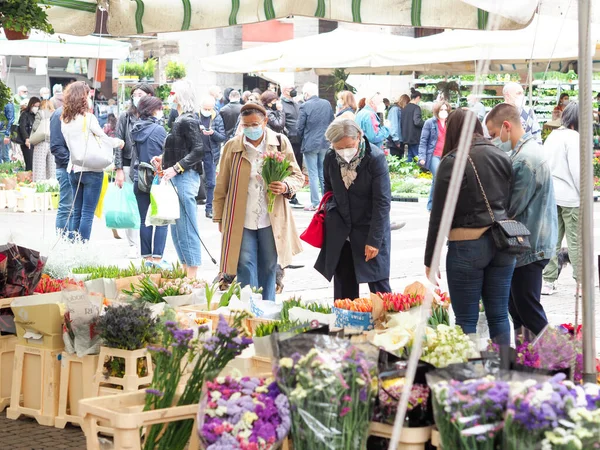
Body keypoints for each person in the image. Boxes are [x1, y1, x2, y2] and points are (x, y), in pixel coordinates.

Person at [425, 109, 516, 344]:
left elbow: (439, 215)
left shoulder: (452, 161)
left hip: (467, 246)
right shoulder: (501, 155)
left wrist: (430, 259)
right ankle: (503, 370)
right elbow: (511, 202)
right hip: (503, 243)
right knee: (498, 315)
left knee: (466, 320)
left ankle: (467, 377)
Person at [213, 103, 304, 300]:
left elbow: (297, 175)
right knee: (244, 263)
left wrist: (285, 186)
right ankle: (250, 308)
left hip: (271, 217)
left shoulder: (280, 142)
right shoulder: (232, 146)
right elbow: (222, 185)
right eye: (246, 125)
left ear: (265, 122)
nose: (250, 129)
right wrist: (219, 217)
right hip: (240, 218)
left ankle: (267, 308)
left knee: (270, 265)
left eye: (255, 124)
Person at [486, 103, 557, 336]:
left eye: (494, 135)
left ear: (507, 126)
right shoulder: (524, 153)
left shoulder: (525, 159)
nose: (494, 140)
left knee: (528, 311)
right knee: (517, 309)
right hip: (531, 245)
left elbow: (511, 208)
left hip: (530, 247)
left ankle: (563, 361)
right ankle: (528, 361)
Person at [315, 119, 392, 299]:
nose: (343, 152)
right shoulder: (330, 157)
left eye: (348, 146)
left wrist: (374, 240)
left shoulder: (375, 158)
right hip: (342, 230)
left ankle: (388, 324)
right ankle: (348, 325)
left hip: (369, 228)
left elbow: (382, 202)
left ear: (359, 137)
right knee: (343, 287)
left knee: (379, 286)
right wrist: (332, 211)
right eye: (338, 148)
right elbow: (328, 188)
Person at [153, 79, 204, 279]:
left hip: (184, 177)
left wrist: (176, 167)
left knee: (186, 227)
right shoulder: (181, 118)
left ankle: (192, 274)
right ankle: (186, 271)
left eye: (173, 93)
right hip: (178, 176)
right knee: (177, 228)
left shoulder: (188, 120)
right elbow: (182, 148)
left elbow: (198, 150)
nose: (170, 96)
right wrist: (164, 159)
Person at [61, 82, 124, 241]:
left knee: (77, 212)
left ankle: (73, 246)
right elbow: (104, 138)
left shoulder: (65, 120)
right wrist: (119, 142)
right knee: (87, 213)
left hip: (74, 169)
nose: (90, 98)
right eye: (88, 95)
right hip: (92, 170)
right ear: (83, 97)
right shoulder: (88, 118)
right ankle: (83, 248)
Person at [541, 102, 580, 295]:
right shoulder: (574, 138)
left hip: (552, 195)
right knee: (575, 240)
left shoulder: (553, 136)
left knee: (553, 240)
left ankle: (548, 281)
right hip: (571, 197)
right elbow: (577, 171)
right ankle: (580, 281)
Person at [115, 83, 154, 258]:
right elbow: (118, 143)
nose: (137, 97)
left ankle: (149, 245)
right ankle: (133, 244)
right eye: (135, 94)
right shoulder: (125, 117)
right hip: (129, 165)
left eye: (141, 93)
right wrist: (118, 169)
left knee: (148, 207)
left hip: (149, 166)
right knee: (131, 206)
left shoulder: (154, 117)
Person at [130, 96, 169, 266]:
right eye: (159, 108)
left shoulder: (135, 128)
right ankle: (158, 258)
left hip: (140, 179)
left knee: (144, 220)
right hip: (157, 178)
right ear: (154, 110)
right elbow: (167, 153)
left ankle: (146, 259)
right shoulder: (159, 130)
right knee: (161, 220)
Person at [297, 82, 335, 211]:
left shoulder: (305, 106)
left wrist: (301, 138)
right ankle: (326, 201)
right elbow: (331, 121)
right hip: (325, 142)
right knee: (322, 173)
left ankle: (315, 203)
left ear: (307, 94)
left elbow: (300, 127)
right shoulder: (326, 104)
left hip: (310, 143)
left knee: (312, 173)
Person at [418, 101, 450, 211]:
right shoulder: (430, 123)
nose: (444, 112)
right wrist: (422, 157)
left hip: (446, 156)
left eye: (446, 110)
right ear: (436, 111)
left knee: (436, 180)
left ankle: (431, 206)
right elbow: (423, 141)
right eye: (441, 109)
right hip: (433, 156)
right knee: (439, 177)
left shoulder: (449, 123)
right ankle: (437, 206)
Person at [199, 95, 227, 219]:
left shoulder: (217, 117)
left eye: (209, 109)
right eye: (205, 108)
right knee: (194, 180)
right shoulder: (195, 116)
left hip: (210, 153)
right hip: (196, 152)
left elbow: (222, 137)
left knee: (211, 182)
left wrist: (212, 133)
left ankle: (209, 208)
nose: (207, 111)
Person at [50, 102, 73, 233]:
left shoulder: (80, 114)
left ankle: (71, 241)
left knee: (74, 209)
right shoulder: (60, 114)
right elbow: (56, 146)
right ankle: (62, 241)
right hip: (66, 168)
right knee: (66, 208)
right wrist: (71, 162)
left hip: (75, 167)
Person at [280, 84, 303, 207]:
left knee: (296, 166)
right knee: (287, 167)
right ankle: (287, 193)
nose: (293, 90)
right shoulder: (281, 105)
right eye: (290, 89)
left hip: (298, 140)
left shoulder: (296, 104)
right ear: (284, 90)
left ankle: (293, 194)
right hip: (289, 140)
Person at [31, 99, 56, 182]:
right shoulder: (56, 114)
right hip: (53, 142)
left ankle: (40, 184)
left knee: (40, 166)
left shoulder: (40, 113)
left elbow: (35, 127)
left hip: (41, 141)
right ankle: (52, 184)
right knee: (52, 167)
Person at [401, 89, 424, 161]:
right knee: (418, 157)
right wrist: (425, 123)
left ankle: (408, 171)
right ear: (417, 98)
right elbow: (417, 121)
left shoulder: (405, 108)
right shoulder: (416, 108)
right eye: (419, 99)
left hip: (406, 136)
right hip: (415, 137)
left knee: (409, 156)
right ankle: (421, 171)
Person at [18, 97, 40, 171]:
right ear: (31, 105)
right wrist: (26, 138)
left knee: (36, 163)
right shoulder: (25, 114)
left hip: (35, 141)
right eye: (35, 106)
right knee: (30, 163)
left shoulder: (37, 115)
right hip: (27, 141)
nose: (36, 108)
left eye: (38, 106)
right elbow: (22, 127)